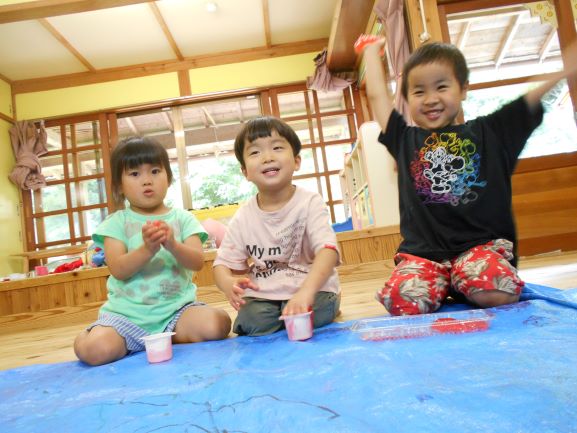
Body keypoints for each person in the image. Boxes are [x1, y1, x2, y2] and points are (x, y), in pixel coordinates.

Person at [362, 37, 577, 316]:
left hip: (479, 250)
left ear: (463, 89)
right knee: (401, 302)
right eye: (418, 91)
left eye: (441, 87)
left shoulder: (490, 132)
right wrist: (370, 50)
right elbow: (377, 97)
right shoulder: (404, 139)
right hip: (424, 257)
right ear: (407, 98)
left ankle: (462, 283)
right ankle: (448, 284)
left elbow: (531, 99)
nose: (431, 99)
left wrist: (565, 69)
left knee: (498, 291)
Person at [74, 137, 231, 365]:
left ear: (169, 177)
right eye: (134, 174)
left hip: (177, 312)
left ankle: (170, 336)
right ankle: (87, 335)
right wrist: (147, 249)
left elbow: (197, 262)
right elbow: (118, 269)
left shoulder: (183, 218)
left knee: (217, 325)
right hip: (126, 318)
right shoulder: (116, 223)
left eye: (155, 171)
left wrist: (173, 245)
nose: (147, 180)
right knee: (96, 350)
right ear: (119, 185)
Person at [213, 116, 341, 336]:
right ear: (245, 172)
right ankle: (281, 315)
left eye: (277, 148)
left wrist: (305, 293)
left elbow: (328, 252)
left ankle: (309, 307)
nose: (267, 157)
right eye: (255, 152)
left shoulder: (310, 202)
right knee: (250, 322)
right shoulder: (244, 216)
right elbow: (221, 264)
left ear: (297, 161)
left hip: (313, 288)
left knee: (315, 312)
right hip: (265, 294)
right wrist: (227, 283)